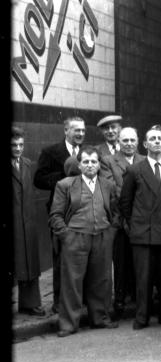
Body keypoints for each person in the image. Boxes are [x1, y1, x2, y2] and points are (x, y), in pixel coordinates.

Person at [49, 146, 120, 336]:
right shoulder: (65, 185)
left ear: (99, 165)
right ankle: (68, 324)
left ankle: (100, 318)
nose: (90, 165)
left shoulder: (107, 185)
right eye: (86, 161)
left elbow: (115, 212)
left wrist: (111, 232)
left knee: (101, 280)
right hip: (75, 237)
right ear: (79, 165)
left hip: (102, 237)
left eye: (94, 161)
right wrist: (66, 235)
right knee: (72, 281)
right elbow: (55, 215)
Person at [120, 127, 161, 329]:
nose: (157, 141)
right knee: (143, 278)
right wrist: (135, 225)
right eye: (152, 139)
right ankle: (142, 317)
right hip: (143, 233)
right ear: (145, 145)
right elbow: (125, 203)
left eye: (159, 138)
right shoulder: (135, 170)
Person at [34, 116, 86, 313]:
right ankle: (59, 302)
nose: (80, 134)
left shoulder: (88, 152)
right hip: (60, 213)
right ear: (66, 131)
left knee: (82, 257)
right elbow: (38, 179)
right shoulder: (51, 152)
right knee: (60, 258)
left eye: (82, 130)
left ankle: (82, 301)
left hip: (84, 211)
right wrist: (65, 177)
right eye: (76, 130)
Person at [100, 127, 145, 315]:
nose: (129, 144)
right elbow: (112, 188)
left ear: (137, 141)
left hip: (141, 218)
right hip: (119, 219)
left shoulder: (144, 160)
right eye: (125, 140)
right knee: (120, 260)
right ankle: (119, 299)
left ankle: (137, 296)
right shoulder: (108, 161)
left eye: (132, 140)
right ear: (118, 141)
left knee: (139, 260)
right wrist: (135, 196)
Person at [11, 127, 44, 316]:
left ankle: (30, 303)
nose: (18, 148)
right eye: (14, 145)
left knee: (30, 261)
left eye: (21, 144)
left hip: (28, 221)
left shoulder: (27, 164)